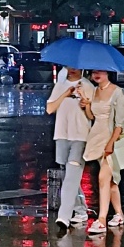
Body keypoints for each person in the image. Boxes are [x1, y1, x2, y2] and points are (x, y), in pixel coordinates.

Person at [79, 70, 124, 233]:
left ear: (108, 72)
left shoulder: (117, 92)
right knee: (112, 181)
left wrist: (111, 143)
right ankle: (119, 214)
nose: (96, 75)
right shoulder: (95, 91)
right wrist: (86, 104)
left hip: (111, 139)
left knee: (103, 179)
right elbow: (92, 116)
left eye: (100, 71)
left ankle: (101, 220)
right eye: (94, 72)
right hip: (96, 137)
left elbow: (120, 124)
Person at [47, 67, 95, 233]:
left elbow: (92, 116)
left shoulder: (88, 86)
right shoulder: (60, 85)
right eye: (68, 66)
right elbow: (50, 108)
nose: (71, 69)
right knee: (67, 176)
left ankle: (64, 216)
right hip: (61, 134)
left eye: (75, 66)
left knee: (72, 175)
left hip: (80, 136)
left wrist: (85, 103)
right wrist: (65, 94)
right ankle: (81, 210)